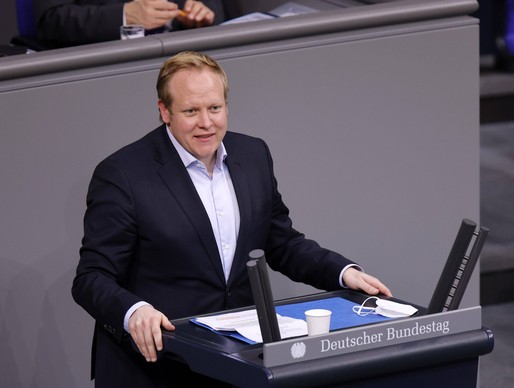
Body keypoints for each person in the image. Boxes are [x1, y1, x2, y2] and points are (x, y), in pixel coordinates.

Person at [72, 50, 392, 387]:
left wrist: (343, 273)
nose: (206, 123)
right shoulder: (124, 174)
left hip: (235, 364)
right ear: (164, 111)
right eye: (191, 111)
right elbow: (91, 277)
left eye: (214, 108)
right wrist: (134, 311)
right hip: (155, 368)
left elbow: (282, 242)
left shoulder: (253, 155)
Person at [33, 0, 225, 48]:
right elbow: (51, 19)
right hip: (105, 62)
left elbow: (213, 7)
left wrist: (203, 13)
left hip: (185, 52)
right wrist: (125, 15)